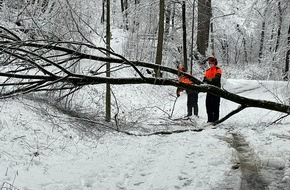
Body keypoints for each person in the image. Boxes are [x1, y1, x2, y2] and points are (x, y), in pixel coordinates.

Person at [203, 56, 222, 123]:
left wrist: (210, 79)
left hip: (216, 90)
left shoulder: (218, 69)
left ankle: (216, 120)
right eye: (209, 62)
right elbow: (204, 79)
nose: (210, 63)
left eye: (212, 62)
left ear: (215, 62)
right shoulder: (207, 71)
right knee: (208, 105)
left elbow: (217, 79)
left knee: (215, 106)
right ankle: (209, 120)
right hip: (209, 90)